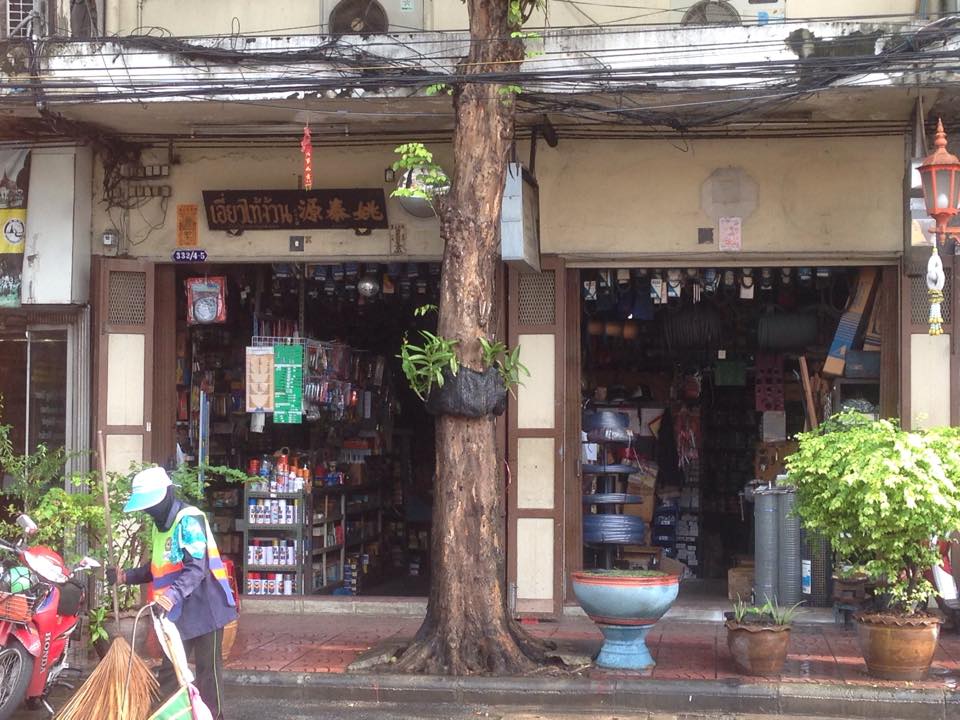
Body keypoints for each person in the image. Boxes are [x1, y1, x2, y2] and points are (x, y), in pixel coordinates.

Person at [108, 466, 237, 719]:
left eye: (151, 505)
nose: (148, 511)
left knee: (208, 675)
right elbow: (158, 566)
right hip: (177, 610)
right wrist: (126, 577)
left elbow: (196, 568)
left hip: (206, 607)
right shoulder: (160, 527)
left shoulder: (189, 519)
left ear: (167, 494)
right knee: (170, 671)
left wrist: (170, 596)